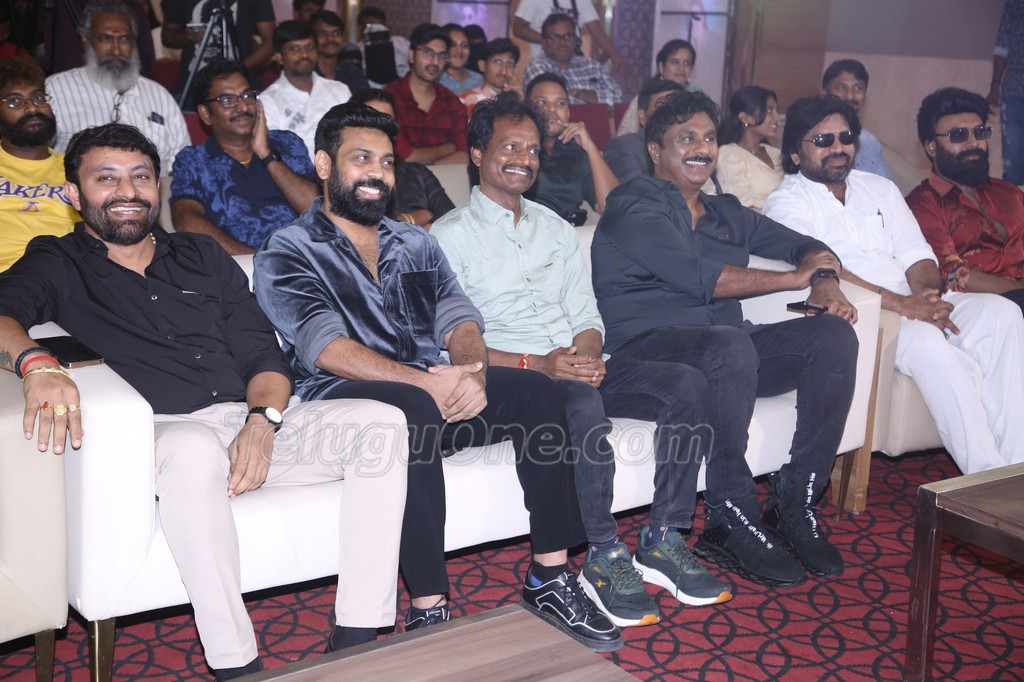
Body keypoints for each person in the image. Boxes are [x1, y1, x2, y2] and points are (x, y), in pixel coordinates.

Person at [0, 122, 409, 680]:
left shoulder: (202, 255)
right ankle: (236, 662)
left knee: (382, 422)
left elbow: (263, 355)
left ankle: (358, 633)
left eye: (141, 176)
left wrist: (262, 422)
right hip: (161, 432)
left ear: (158, 186)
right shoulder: (58, 259)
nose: (128, 191)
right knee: (192, 446)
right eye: (106, 178)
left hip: (245, 419)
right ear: (74, 193)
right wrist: (36, 363)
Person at [252, 101, 622, 652]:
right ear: (325, 165)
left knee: (537, 390)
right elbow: (324, 346)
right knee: (413, 407)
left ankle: (549, 575)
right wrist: (428, 383)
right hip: (345, 399)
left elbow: (459, 318)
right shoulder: (288, 249)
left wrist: (471, 373)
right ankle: (430, 606)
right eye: (361, 159)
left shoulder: (415, 242)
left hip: (433, 388)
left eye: (386, 162)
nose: (378, 172)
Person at [432, 92, 732, 628]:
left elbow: (587, 313)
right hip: (517, 378)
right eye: (509, 147)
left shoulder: (554, 227)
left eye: (532, 149)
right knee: (579, 400)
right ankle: (602, 552)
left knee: (685, 383)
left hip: (575, 364)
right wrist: (542, 364)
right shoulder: (447, 237)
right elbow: (451, 344)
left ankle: (664, 536)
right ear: (477, 154)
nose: (524, 159)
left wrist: (587, 356)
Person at [593, 90, 860, 586]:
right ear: (655, 150)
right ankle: (729, 513)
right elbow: (701, 277)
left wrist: (824, 280)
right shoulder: (632, 204)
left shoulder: (726, 212)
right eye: (686, 138)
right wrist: (791, 280)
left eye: (709, 138)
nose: (702, 148)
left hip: (727, 354)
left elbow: (806, 245)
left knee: (831, 337)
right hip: (648, 353)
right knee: (729, 344)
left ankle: (795, 502)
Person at [763, 96, 1024, 475]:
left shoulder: (880, 189)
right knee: (930, 343)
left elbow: (918, 255)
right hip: (864, 314)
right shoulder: (786, 203)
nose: (838, 148)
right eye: (823, 140)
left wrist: (926, 297)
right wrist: (906, 307)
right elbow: (824, 268)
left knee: (1004, 314)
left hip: (914, 301)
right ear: (794, 153)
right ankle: (985, 476)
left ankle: (1017, 467)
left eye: (845, 137)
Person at [171, 59, 318, 254]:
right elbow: (185, 220)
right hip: (236, 266)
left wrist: (267, 155)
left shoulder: (287, 144)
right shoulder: (193, 161)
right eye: (227, 100)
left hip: (303, 259)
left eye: (247, 96)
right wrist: (253, 260)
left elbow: (317, 211)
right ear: (206, 114)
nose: (242, 107)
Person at [906, 87, 1024, 312]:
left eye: (979, 133)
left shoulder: (1010, 194)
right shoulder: (922, 205)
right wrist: (1019, 290)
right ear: (932, 146)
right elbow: (952, 276)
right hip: (974, 308)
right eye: (958, 135)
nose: (973, 142)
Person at [46, 0, 189, 174]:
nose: (116, 50)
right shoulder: (56, 90)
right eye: (106, 39)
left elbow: (184, 164)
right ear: (85, 37)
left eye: (124, 39)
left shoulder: (159, 96)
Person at [0, 55, 79, 271]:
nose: (32, 108)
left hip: (64, 276)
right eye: (15, 101)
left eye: (38, 98)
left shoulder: (77, 168)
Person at [354, 88, 454, 229]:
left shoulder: (418, 173)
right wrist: (416, 218)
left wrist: (426, 224)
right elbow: (368, 227)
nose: (379, 129)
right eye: (371, 122)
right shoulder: (352, 174)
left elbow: (451, 216)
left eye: (386, 121)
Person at [524, 72, 618, 219]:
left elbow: (614, 207)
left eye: (560, 103)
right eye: (542, 102)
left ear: (568, 114)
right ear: (526, 108)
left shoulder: (578, 153)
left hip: (570, 229)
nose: (552, 109)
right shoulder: (515, 150)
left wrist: (590, 147)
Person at [260, 20, 352, 161]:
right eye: (295, 49)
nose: (304, 54)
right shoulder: (267, 102)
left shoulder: (340, 90)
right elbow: (275, 155)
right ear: (279, 57)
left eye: (310, 47)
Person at [161, 0, 275, 110]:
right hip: (193, 86)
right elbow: (168, 37)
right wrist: (186, 37)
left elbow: (271, 42)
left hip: (241, 86)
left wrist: (239, 68)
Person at [384, 23, 468, 164]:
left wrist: (430, 170)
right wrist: (447, 148)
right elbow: (404, 156)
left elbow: (464, 154)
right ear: (412, 55)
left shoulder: (452, 103)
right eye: (428, 52)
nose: (435, 61)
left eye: (442, 55)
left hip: (444, 177)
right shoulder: (389, 97)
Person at [521, 13, 622, 106]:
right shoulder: (537, 67)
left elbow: (617, 97)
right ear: (543, 41)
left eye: (567, 36)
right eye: (555, 37)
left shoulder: (592, 66)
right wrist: (596, 98)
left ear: (575, 39)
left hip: (597, 120)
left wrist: (578, 93)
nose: (562, 42)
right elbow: (554, 104)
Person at [716, 85, 784, 213]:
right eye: (770, 110)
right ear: (745, 118)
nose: (777, 117)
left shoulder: (775, 153)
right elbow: (741, 207)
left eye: (776, 110)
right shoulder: (729, 155)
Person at [602, 78, 684, 182]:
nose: (672, 115)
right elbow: (636, 188)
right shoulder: (622, 147)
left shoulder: (691, 147)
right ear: (642, 116)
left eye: (678, 109)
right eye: (662, 109)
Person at [821, 59, 891, 180]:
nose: (850, 96)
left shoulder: (870, 142)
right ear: (825, 92)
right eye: (841, 88)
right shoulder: (814, 139)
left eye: (858, 88)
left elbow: (885, 186)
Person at [616, 39, 699, 136]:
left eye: (687, 63)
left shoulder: (696, 98)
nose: (681, 68)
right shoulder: (648, 97)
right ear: (661, 67)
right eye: (675, 62)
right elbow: (627, 136)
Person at [512, 0, 623, 67]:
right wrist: (549, 40)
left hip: (574, 63)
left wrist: (614, 57)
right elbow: (518, 28)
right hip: (544, 63)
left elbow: (597, 30)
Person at [988, 0, 1024, 184]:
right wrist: (995, 85)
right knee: (1014, 163)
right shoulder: (1015, 3)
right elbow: (1002, 44)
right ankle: (1015, 200)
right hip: (1014, 94)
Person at [311, 9, 370, 98]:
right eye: (322, 33)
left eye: (336, 33)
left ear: (343, 38)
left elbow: (368, 102)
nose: (330, 39)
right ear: (311, 38)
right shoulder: (306, 73)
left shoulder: (353, 73)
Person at [459, 38, 522, 116]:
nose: (504, 71)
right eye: (497, 61)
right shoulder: (466, 101)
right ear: (482, 65)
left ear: (515, 70)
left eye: (509, 64)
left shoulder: (518, 101)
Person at [438, 24, 483, 96]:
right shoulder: (435, 78)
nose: (459, 50)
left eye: (464, 45)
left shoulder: (478, 80)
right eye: (453, 45)